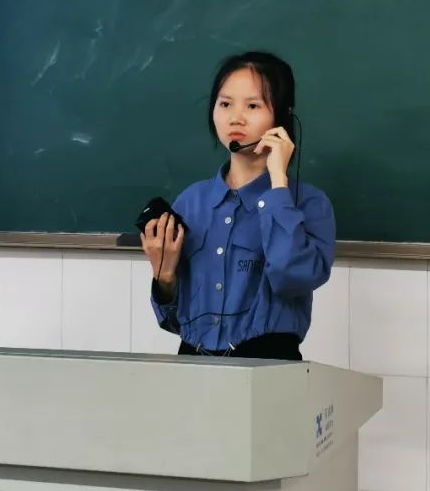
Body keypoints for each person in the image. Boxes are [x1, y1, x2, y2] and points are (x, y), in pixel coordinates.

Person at [139, 51, 336, 361]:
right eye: (225, 104)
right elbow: (173, 321)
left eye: (253, 106)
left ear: (281, 117)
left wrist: (278, 183)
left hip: (269, 362)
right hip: (193, 363)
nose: (235, 118)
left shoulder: (308, 202)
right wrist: (163, 277)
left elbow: (293, 277)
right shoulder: (191, 202)